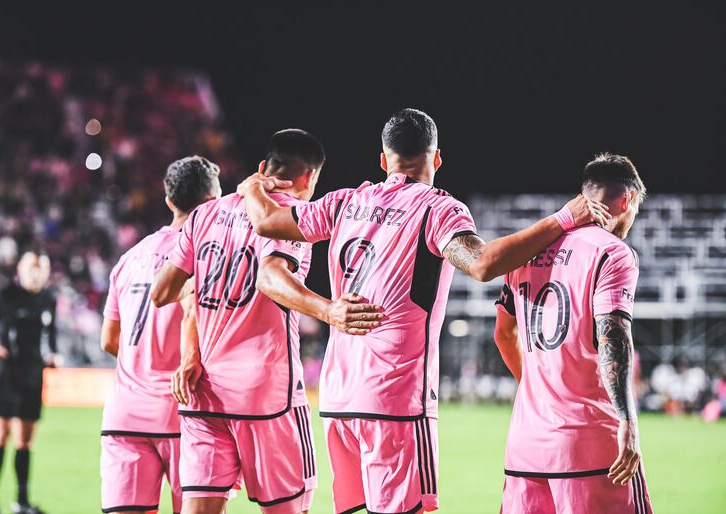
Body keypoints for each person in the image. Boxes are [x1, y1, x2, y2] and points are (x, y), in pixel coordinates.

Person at [237, 108, 610, 514]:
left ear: (383, 159)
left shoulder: (345, 201)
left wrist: (250, 188)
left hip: (338, 397)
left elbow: (268, 221)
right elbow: (482, 263)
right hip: (395, 400)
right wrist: (562, 218)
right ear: (437, 158)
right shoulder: (436, 209)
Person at [152, 129, 381, 514]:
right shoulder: (289, 220)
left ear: (263, 168)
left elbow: (162, 293)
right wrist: (329, 311)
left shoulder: (205, 214)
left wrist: (205, 302)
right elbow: (270, 277)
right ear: (309, 178)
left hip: (204, 392)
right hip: (267, 396)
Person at [494, 153, 653, 513]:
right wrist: (627, 419)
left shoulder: (528, 252)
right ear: (626, 200)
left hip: (525, 446)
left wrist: (538, 385)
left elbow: (503, 335)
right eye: (635, 211)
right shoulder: (613, 252)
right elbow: (613, 335)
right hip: (590, 446)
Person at [99, 156, 221, 514]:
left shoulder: (130, 257)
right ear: (215, 203)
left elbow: (109, 339)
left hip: (124, 416)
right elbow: (197, 317)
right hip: (184, 414)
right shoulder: (208, 255)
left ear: (169, 202)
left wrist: (144, 363)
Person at [0, 250, 59, 514]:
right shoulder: (6, 294)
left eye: (42, 267)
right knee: (1, 435)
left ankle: (21, 502)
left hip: (34, 373)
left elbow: (49, 333)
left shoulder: (47, 299)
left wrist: (52, 354)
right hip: (9, 373)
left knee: (25, 440)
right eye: (32, 265)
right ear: (21, 268)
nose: (37, 271)